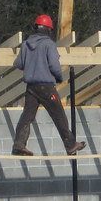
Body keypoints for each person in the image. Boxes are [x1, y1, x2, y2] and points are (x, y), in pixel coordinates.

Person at [11, 14, 86, 156]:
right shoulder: (48, 44)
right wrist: (59, 77)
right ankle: (70, 145)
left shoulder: (26, 44)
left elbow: (19, 64)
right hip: (45, 86)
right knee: (59, 115)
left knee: (27, 116)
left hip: (31, 87)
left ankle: (19, 145)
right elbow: (54, 65)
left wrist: (32, 65)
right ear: (48, 29)